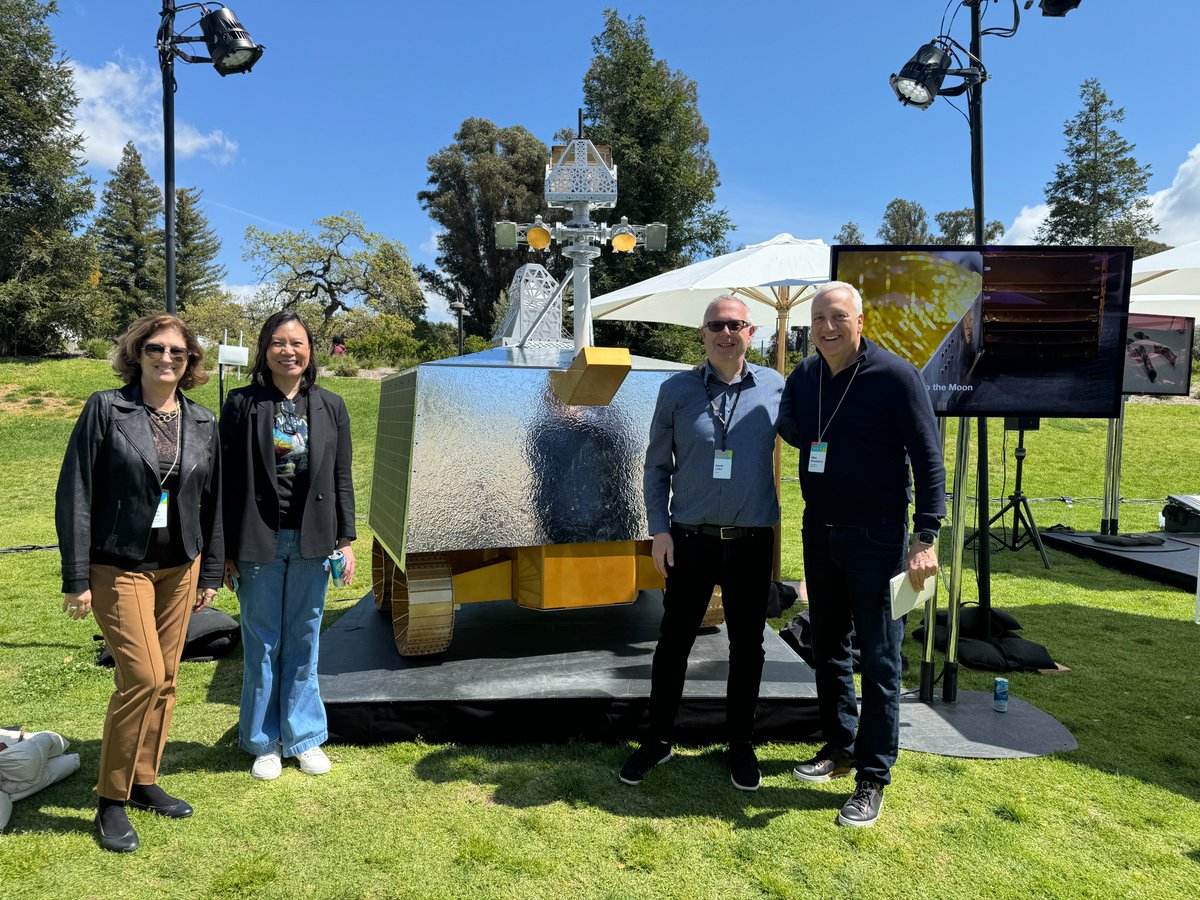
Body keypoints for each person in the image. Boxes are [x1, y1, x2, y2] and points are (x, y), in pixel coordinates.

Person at [778, 281, 945, 828]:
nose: (827, 327)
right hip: (818, 530)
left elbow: (928, 459)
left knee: (879, 658)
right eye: (819, 317)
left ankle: (872, 776)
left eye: (838, 317)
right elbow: (793, 427)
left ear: (860, 320)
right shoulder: (804, 375)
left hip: (879, 537)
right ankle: (840, 746)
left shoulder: (896, 375)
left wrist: (926, 538)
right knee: (828, 647)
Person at [55, 314, 223, 853]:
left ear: (191, 360)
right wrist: (76, 576)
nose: (167, 357)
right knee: (143, 678)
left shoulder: (202, 421)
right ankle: (111, 800)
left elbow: (212, 502)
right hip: (117, 563)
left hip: (180, 567)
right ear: (137, 352)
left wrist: (212, 570)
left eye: (178, 351)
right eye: (156, 348)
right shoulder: (108, 408)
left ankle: (144, 778)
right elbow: (75, 491)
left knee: (168, 676)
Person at [620, 296, 784, 792]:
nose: (725, 332)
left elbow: (817, 437)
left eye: (735, 325)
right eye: (716, 325)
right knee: (673, 644)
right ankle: (658, 739)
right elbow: (655, 467)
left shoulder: (777, 387)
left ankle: (740, 743)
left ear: (751, 333)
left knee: (749, 648)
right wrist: (659, 531)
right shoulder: (676, 390)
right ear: (703, 333)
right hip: (689, 541)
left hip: (752, 543)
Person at [220, 311, 357, 781]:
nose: (288, 351)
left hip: (313, 539)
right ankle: (263, 741)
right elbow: (227, 482)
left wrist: (346, 540)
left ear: (310, 350)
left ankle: (304, 737)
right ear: (265, 350)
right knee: (261, 642)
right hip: (258, 538)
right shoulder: (241, 404)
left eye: (297, 342)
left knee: (304, 638)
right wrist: (225, 550)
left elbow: (341, 477)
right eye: (278, 342)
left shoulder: (330, 405)